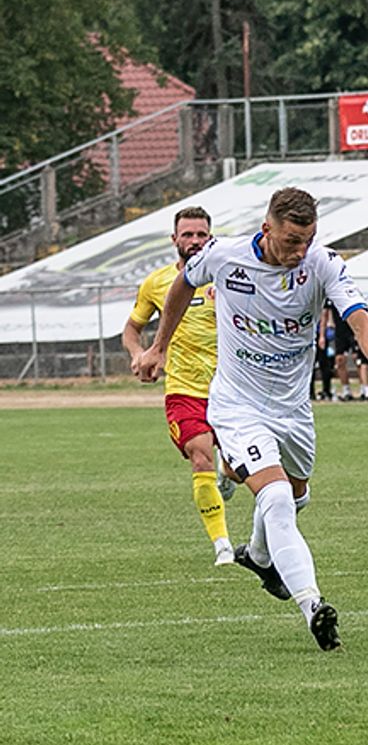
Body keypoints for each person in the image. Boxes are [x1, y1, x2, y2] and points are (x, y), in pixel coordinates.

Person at [132, 187, 368, 649]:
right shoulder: (226, 256)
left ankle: (259, 556)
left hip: (294, 409)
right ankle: (313, 607)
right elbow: (182, 285)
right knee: (276, 497)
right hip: (237, 404)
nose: (300, 251)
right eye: (291, 241)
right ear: (267, 229)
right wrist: (159, 346)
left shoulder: (322, 262)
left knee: (296, 498)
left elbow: (359, 317)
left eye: (307, 240)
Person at [122, 206, 236, 567]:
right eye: (187, 234)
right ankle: (222, 545)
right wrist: (140, 354)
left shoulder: (230, 277)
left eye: (201, 234)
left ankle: (229, 472)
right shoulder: (157, 283)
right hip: (184, 389)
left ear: (211, 238)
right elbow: (132, 329)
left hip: (232, 389)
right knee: (200, 456)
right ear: (175, 239)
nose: (195, 241)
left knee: (236, 468)